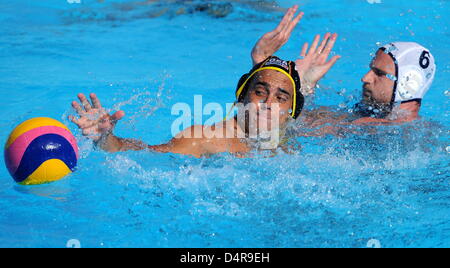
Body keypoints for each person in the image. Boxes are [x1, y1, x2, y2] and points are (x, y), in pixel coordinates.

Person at [251, 6, 436, 130]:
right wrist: (304, 86)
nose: (365, 78)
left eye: (379, 73)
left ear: (409, 84)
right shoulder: (369, 118)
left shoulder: (373, 127)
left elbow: (279, 128)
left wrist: (262, 62)